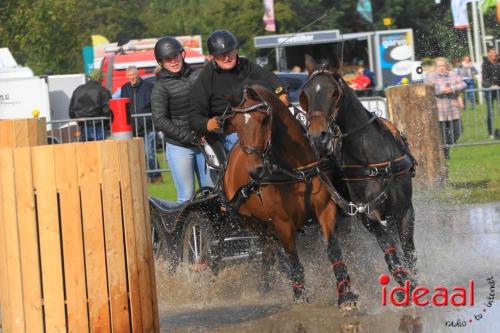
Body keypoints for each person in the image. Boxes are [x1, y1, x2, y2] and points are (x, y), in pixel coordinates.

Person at [189, 29, 288, 154]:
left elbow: (271, 79)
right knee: (248, 147)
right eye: (220, 54)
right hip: (228, 131)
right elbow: (194, 115)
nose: (226, 58)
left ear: (236, 50)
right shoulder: (206, 76)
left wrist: (282, 94)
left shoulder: (247, 65)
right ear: (211, 57)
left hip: (256, 122)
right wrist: (207, 123)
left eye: (229, 52)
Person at [151, 36, 213, 203]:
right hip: (180, 147)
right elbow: (159, 120)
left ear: (182, 55)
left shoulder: (198, 75)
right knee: (186, 197)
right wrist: (188, 137)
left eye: (175, 56)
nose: (173, 61)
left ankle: (213, 229)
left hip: (204, 143)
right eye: (168, 59)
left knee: (212, 193)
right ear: (161, 62)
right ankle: (185, 230)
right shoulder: (160, 87)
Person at [120, 66, 163, 183]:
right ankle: (144, 177)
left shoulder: (148, 87)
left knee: (149, 152)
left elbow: (155, 104)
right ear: (127, 77)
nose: (132, 78)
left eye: (134, 75)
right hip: (133, 128)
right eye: (130, 76)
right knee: (138, 154)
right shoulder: (124, 88)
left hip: (148, 126)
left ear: (138, 75)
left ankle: (156, 175)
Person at [424, 57, 466, 159]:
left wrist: (452, 88)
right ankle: (445, 154)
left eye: (443, 65)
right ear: (435, 67)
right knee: (442, 135)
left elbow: (463, 84)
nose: (442, 68)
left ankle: (446, 148)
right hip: (439, 111)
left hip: (453, 110)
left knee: (458, 130)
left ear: (446, 66)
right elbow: (428, 88)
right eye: (439, 66)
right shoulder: (431, 76)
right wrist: (441, 89)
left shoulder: (453, 74)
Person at [69, 69, 111, 141]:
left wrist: (77, 120)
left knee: (86, 150)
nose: (103, 80)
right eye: (102, 78)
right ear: (99, 78)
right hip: (99, 125)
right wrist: (107, 124)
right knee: (99, 149)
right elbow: (107, 110)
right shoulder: (103, 91)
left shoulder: (78, 89)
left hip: (83, 126)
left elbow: (71, 110)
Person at [481, 47, 500, 138]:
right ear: (488, 53)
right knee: (490, 111)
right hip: (489, 91)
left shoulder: (498, 62)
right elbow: (484, 79)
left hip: (499, 89)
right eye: (492, 53)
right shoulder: (485, 64)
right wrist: (490, 86)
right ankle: (491, 133)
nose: (494, 55)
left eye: (495, 53)